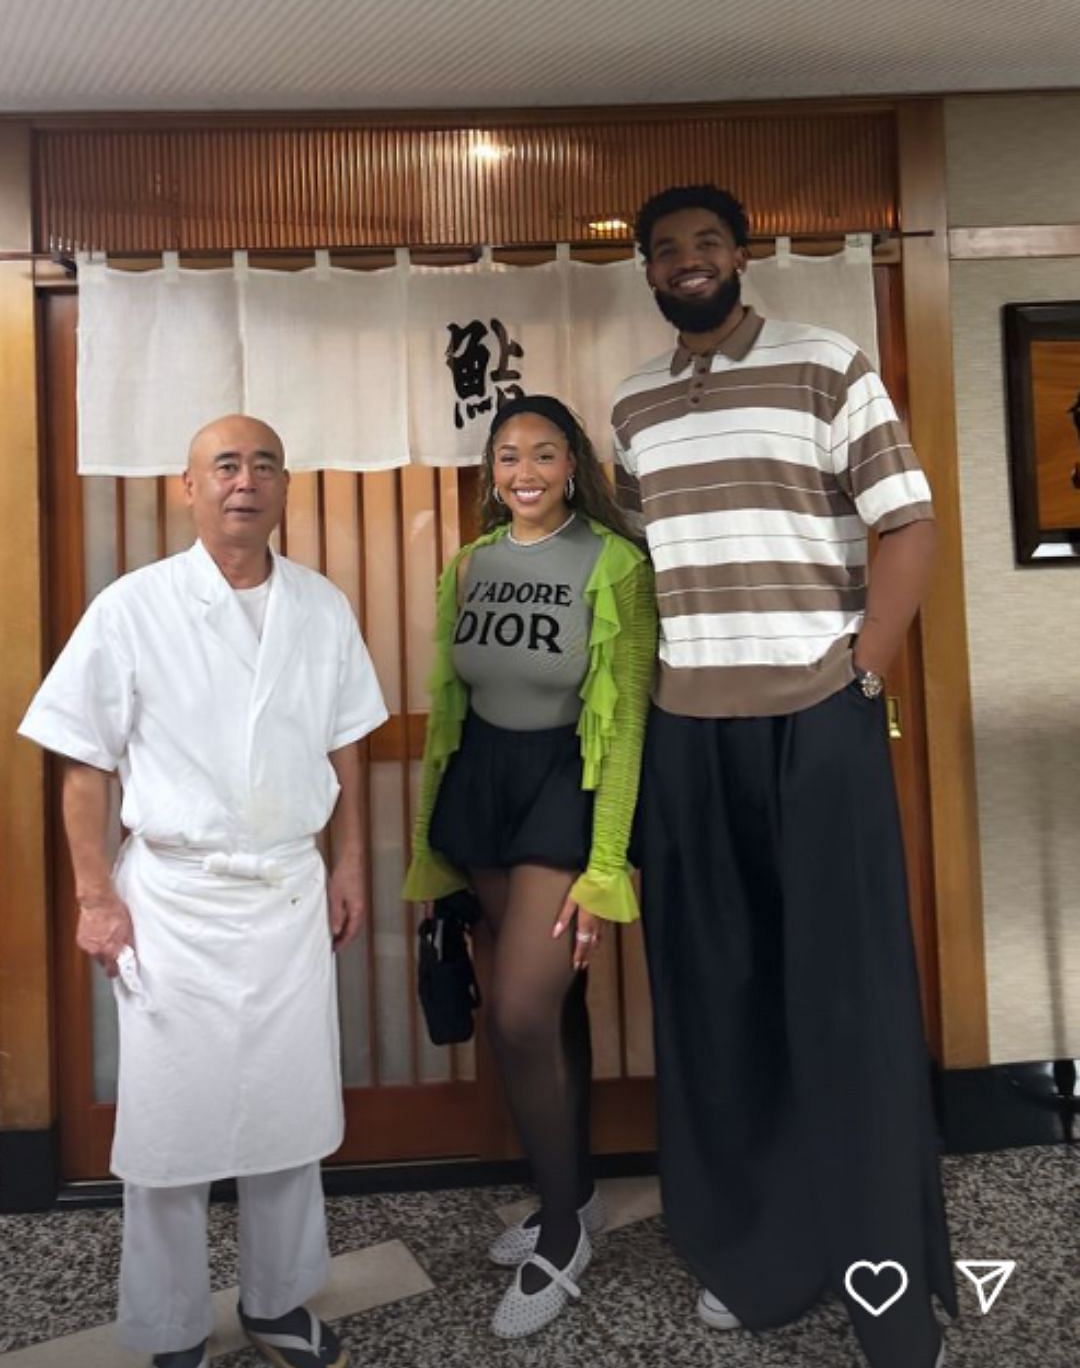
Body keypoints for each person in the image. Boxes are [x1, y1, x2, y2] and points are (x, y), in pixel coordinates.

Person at [612, 186, 954, 1368]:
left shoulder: (827, 363)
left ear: (741, 257)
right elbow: (656, 559)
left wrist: (861, 673)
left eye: (707, 242)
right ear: (647, 272)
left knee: (843, 1000)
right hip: (687, 737)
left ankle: (890, 1295)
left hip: (818, 716)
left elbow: (906, 524)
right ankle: (756, 1259)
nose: (689, 261)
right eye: (666, 249)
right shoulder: (633, 406)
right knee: (718, 1003)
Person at [19, 416, 387, 1368]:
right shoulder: (132, 607)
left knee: (288, 1113)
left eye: (265, 463)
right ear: (187, 488)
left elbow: (347, 741)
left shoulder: (320, 605)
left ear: (284, 486)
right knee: (168, 1128)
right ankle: (170, 1323)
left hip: (287, 889)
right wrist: (96, 894)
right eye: (224, 465)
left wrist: (348, 865)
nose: (244, 480)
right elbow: (84, 762)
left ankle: (276, 1303)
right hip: (173, 899)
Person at [403, 395, 655, 1340]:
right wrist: (435, 830)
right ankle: (576, 1194)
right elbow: (447, 695)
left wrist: (606, 863)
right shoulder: (469, 563)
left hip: (566, 786)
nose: (525, 471)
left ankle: (559, 1238)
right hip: (484, 788)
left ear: (572, 463)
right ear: (491, 470)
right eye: (509, 455)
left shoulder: (615, 562)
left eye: (544, 453)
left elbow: (626, 718)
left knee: (515, 1010)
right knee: (550, 1008)